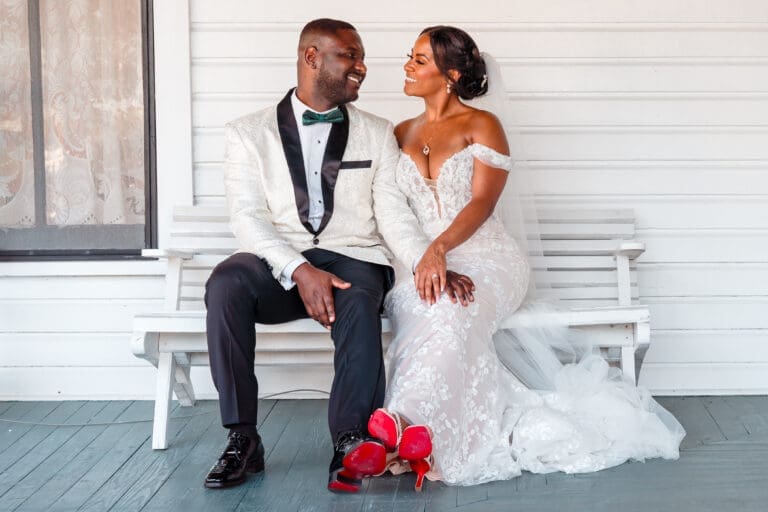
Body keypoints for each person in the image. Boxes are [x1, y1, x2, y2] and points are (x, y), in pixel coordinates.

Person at [367, 26, 686, 490]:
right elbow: (394, 210)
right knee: (426, 306)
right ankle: (413, 434)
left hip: (486, 256)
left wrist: (442, 249)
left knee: (455, 311)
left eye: (420, 60)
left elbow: (481, 204)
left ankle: (406, 427)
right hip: (421, 261)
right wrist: (427, 257)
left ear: (451, 74)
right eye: (409, 57)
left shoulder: (482, 125)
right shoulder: (400, 132)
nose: (407, 66)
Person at [202, 18, 462, 493]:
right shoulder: (246, 133)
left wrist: (428, 258)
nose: (362, 67)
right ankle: (242, 438)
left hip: (353, 257)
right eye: (350, 55)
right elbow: (246, 217)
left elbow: (392, 214)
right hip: (280, 263)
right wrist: (299, 269)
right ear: (312, 57)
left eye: (360, 57)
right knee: (225, 282)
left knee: (360, 300)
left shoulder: (377, 132)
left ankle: (350, 440)